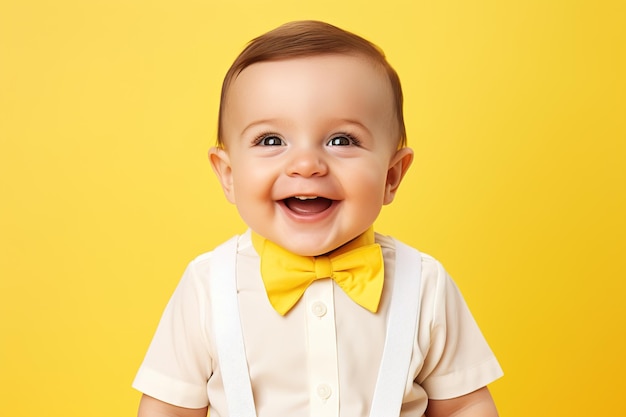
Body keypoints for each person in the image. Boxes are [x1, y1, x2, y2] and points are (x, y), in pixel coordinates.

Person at [133, 20, 503, 417]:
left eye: (341, 140)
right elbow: (167, 409)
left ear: (391, 176)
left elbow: (465, 404)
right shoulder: (207, 286)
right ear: (228, 175)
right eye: (271, 140)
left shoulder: (424, 284)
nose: (307, 165)